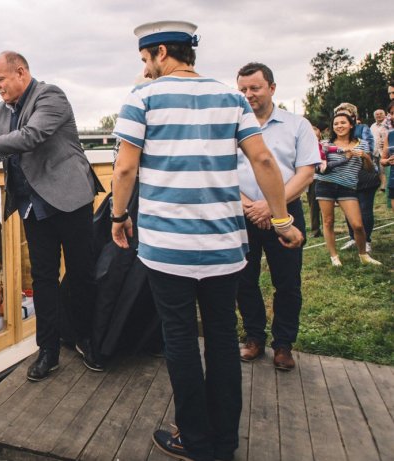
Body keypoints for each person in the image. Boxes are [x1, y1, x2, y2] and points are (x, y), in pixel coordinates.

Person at [111, 21, 303, 461]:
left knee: (179, 338)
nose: (145, 69)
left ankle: (194, 439)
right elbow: (262, 159)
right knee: (220, 336)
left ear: (160, 52)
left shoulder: (141, 98)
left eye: (145, 60)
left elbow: (124, 169)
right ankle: (225, 441)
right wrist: (281, 220)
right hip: (223, 245)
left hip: (167, 248)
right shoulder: (231, 97)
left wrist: (118, 218)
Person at [0, 51, 105, 381]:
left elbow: (30, 137)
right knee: (42, 279)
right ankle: (49, 351)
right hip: (32, 204)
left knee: (82, 273)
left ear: (21, 73)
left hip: (70, 200)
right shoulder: (2, 109)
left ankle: (87, 340)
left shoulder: (50, 96)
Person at [235, 62, 320, 371]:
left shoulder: (297, 125)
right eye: (242, 90)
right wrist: (250, 206)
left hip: (286, 212)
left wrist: (271, 207)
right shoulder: (231, 127)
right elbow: (226, 173)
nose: (248, 95)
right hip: (243, 213)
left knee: (287, 282)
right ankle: (254, 337)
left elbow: (306, 172)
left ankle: (283, 344)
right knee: (244, 280)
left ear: (272, 88)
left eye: (254, 88)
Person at [313, 112, 381, 266]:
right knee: (328, 221)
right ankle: (334, 256)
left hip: (348, 187)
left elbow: (370, 170)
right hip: (325, 185)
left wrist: (365, 156)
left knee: (357, 224)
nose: (339, 126)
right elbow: (320, 167)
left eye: (343, 123)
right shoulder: (325, 144)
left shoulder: (361, 144)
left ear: (351, 125)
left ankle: (363, 255)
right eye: (336, 123)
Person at [333, 103, 380, 253]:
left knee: (365, 209)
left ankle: (366, 240)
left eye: (344, 114)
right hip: (347, 177)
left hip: (365, 176)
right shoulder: (335, 136)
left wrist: (356, 151)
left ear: (353, 116)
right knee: (349, 210)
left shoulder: (362, 129)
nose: (341, 120)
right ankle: (353, 238)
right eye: (338, 115)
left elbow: (369, 149)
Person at [306, 125, 324, 236]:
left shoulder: (323, 147)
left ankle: (328, 227)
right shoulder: (303, 148)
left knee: (325, 204)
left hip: (322, 178)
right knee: (313, 205)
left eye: (315, 136)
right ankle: (315, 229)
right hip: (310, 179)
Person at [371, 109, 388, 190]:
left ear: (384, 115)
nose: (379, 115)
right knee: (377, 169)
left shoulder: (388, 124)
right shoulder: (372, 126)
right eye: (377, 114)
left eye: (381, 113)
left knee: (383, 169)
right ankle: (383, 185)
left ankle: (385, 186)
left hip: (384, 151)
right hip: (375, 151)